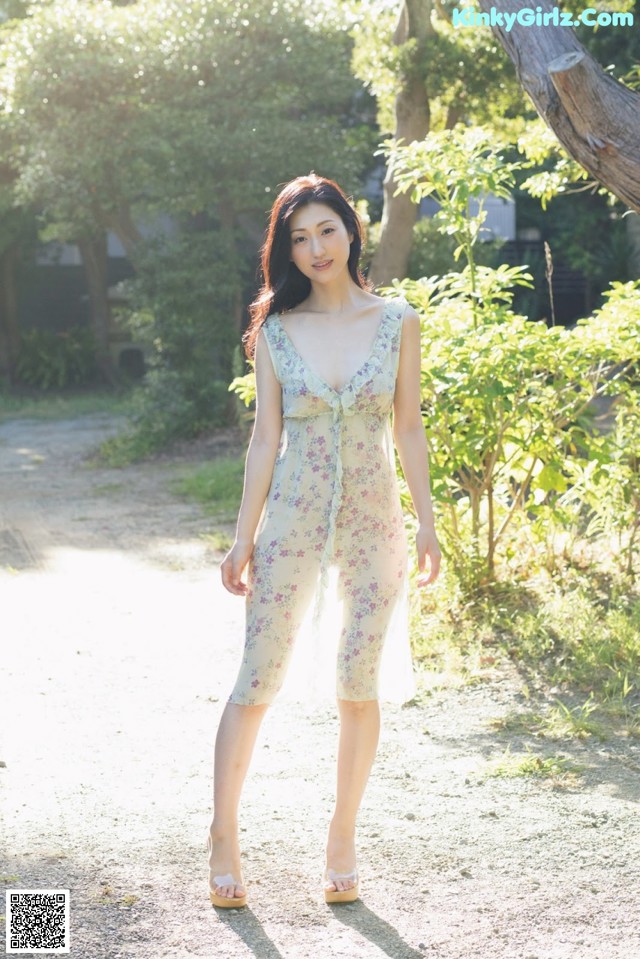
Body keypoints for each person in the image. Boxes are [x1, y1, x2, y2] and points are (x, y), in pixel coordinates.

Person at [207, 173, 441, 908]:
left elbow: (407, 425)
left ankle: (342, 836)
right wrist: (242, 538)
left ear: (352, 231)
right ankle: (222, 833)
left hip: (376, 524)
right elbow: (264, 439)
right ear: (287, 248)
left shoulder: (398, 319)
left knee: (356, 682)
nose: (314, 248)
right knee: (257, 678)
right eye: (299, 237)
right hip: (293, 524)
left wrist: (429, 520)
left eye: (326, 231)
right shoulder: (275, 331)